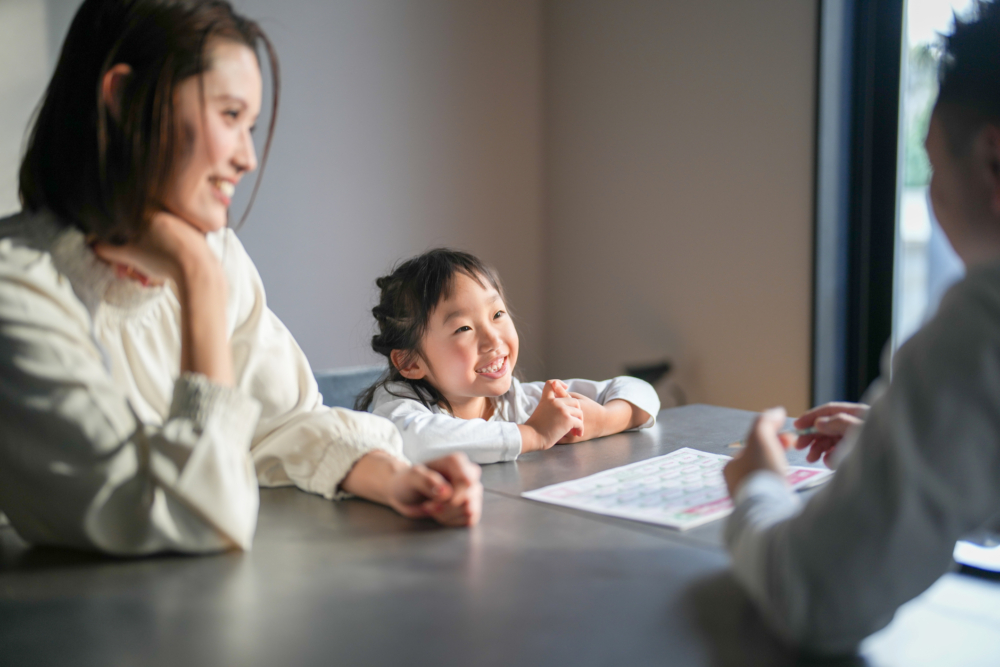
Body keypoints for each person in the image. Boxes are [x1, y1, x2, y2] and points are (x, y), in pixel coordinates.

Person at [0, 0, 481, 556]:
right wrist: (198, 279)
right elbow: (197, 512)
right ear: (124, 98)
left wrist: (394, 478)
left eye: (250, 126)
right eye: (229, 115)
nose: (248, 158)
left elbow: (287, 422)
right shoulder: (19, 290)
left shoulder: (215, 254)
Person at [722, 0, 1000, 654]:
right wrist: (912, 439)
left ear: (994, 160)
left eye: (933, 165)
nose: (933, 195)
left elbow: (812, 593)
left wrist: (758, 481)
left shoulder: (981, 326)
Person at [356, 249, 660, 464]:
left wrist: (605, 420)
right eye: (463, 328)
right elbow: (414, 441)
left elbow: (638, 390)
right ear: (410, 362)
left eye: (497, 314)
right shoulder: (398, 407)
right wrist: (533, 434)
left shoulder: (518, 401)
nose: (493, 339)